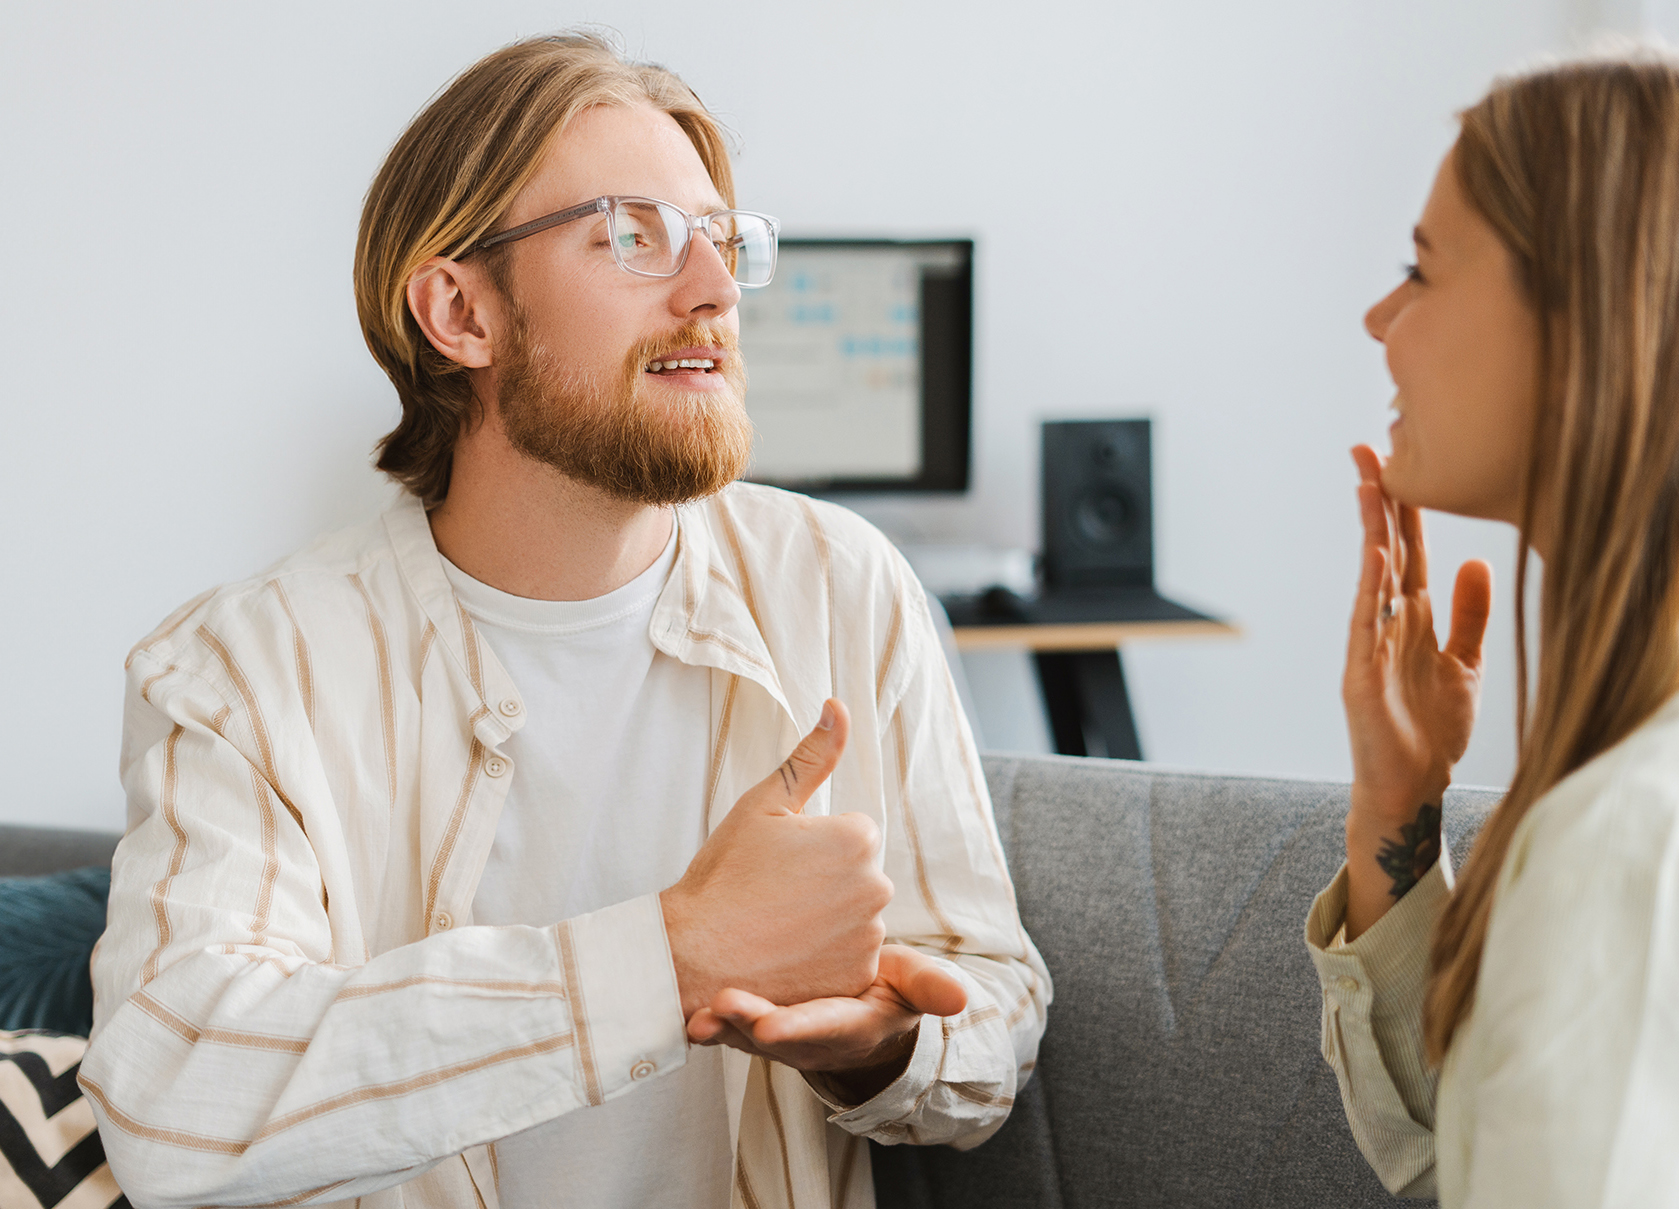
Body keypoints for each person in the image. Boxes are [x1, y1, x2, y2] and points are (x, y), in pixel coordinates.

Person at [81, 32, 1049, 1209]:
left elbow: (989, 1014)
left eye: (723, 241)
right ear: (459, 311)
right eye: (631, 235)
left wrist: (875, 1044)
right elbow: (175, 1100)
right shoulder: (241, 672)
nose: (709, 290)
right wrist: (674, 953)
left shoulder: (841, 584)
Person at [1307, 47, 1679, 1206]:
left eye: (1419, 270)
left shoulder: (1644, 847)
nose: (1380, 318)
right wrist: (1396, 813)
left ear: (1601, 314)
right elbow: (1483, 1148)